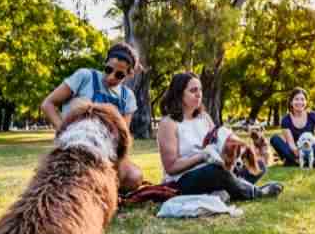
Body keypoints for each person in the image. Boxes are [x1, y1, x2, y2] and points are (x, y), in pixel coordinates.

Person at [157, 72, 283, 200]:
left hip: (214, 170)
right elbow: (171, 167)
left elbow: (218, 143)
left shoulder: (204, 117)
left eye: (200, 90)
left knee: (259, 165)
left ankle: (228, 189)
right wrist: (202, 157)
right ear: (179, 93)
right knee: (216, 172)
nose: (199, 94)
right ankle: (255, 192)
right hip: (184, 180)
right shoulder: (168, 123)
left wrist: (234, 151)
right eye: (193, 90)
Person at [41, 42, 143, 191]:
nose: (111, 77)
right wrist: (64, 132)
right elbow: (48, 104)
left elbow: (121, 137)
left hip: (105, 152)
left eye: (119, 75)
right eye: (108, 69)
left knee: (134, 177)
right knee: (81, 104)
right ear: (105, 62)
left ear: (129, 74)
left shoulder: (127, 97)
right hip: (75, 145)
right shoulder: (85, 77)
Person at [269, 88, 315, 167]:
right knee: (275, 139)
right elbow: (291, 144)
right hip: (295, 151)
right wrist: (298, 151)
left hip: (311, 150)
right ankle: (310, 162)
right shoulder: (286, 120)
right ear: (291, 102)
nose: (300, 102)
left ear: (306, 102)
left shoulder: (312, 115)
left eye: (302, 99)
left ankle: (296, 162)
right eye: (296, 99)